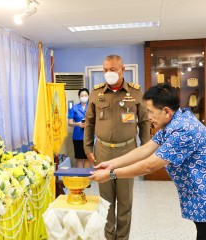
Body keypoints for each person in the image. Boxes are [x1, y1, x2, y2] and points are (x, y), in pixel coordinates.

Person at [89, 83, 206, 240]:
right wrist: (112, 163)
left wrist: (111, 174)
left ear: (166, 111)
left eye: (150, 111)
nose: (148, 116)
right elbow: (145, 150)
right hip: (197, 193)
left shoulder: (183, 130)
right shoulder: (172, 122)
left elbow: (149, 166)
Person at [84, 54, 150, 240]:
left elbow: (144, 122)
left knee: (125, 201)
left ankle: (122, 238)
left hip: (128, 151)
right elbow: (89, 122)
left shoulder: (136, 92)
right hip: (102, 151)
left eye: (113, 69)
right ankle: (108, 237)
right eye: (105, 70)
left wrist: (145, 150)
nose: (108, 73)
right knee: (106, 201)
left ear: (122, 70)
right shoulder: (96, 92)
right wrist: (88, 148)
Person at [68, 88, 91, 168]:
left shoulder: (92, 107)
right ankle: (80, 178)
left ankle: (86, 179)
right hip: (78, 136)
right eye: (82, 95)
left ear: (88, 96)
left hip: (89, 136)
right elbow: (70, 123)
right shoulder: (74, 108)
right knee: (79, 158)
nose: (84, 97)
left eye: (85, 95)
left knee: (88, 157)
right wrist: (78, 124)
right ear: (79, 96)